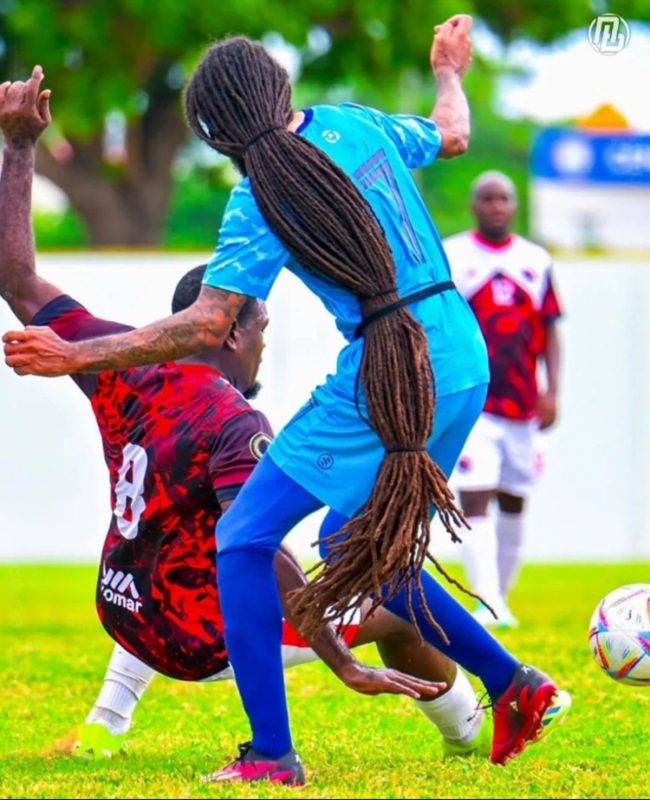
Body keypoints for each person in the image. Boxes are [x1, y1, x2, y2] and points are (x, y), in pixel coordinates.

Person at [3, 21, 569, 784]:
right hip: (461, 357)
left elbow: (208, 322)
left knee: (242, 537)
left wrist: (75, 354)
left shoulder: (257, 196)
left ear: (212, 129)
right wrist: (446, 72)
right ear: (281, 89)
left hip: (388, 365)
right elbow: (452, 135)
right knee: (359, 544)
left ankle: (272, 755)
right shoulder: (357, 124)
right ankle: (517, 687)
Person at [444, 171, 563, 628]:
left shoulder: (536, 260)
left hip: (524, 406)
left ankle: (501, 600)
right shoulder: (454, 256)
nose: (496, 206)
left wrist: (553, 389)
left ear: (515, 206)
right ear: (475, 206)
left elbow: (551, 328)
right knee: (474, 496)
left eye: (504, 199)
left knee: (515, 501)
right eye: (487, 198)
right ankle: (489, 603)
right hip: (474, 404)